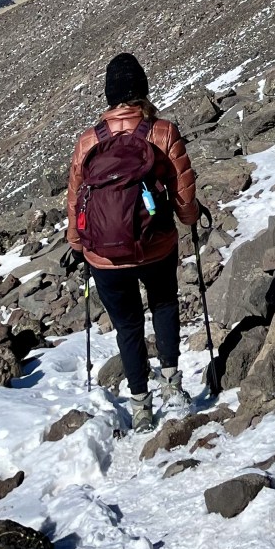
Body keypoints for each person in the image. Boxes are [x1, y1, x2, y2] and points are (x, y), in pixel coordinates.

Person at [66, 52, 199, 432]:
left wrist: (78, 245)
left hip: (105, 257)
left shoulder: (88, 142)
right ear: (142, 91)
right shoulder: (162, 131)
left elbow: (75, 200)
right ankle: (172, 385)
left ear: (109, 97)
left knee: (127, 326)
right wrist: (188, 219)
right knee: (164, 303)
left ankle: (141, 405)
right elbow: (182, 189)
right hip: (155, 244)